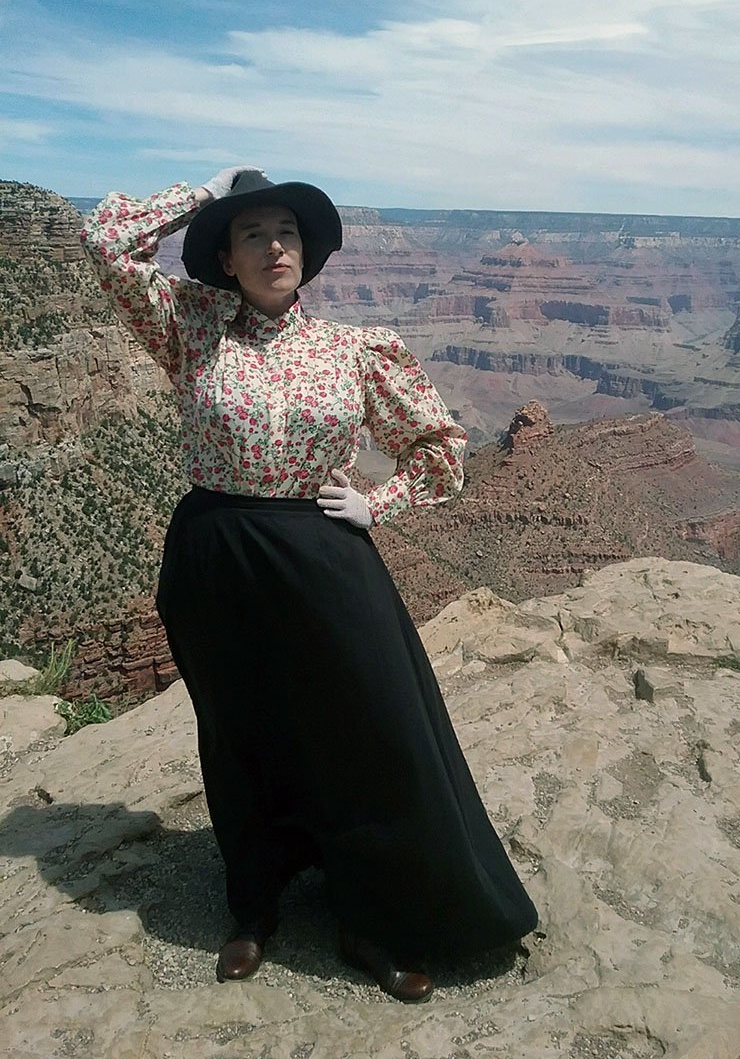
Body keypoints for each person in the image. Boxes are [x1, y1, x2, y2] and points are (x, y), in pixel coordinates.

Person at [81, 166, 538, 1002]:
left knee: (365, 733)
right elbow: (104, 240)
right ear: (225, 257)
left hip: (323, 552)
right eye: (251, 233)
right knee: (239, 731)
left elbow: (440, 446)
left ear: (307, 252)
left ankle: (371, 917)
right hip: (216, 553)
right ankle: (253, 908)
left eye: (286, 231)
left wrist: (379, 502)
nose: (274, 246)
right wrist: (208, 187)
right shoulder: (188, 327)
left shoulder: (354, 349)